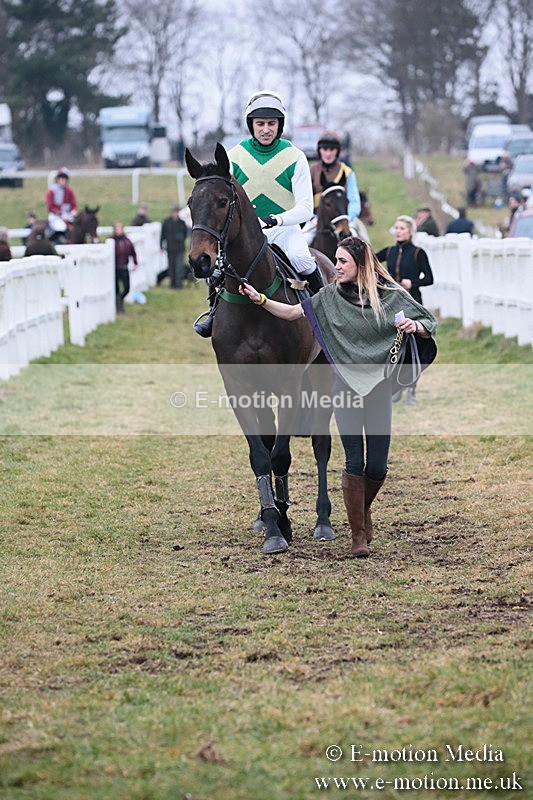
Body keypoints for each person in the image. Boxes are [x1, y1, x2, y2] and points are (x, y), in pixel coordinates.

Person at [238, 236, 437, 558]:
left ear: (361, 265)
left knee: (377, 467)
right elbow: (292, 312)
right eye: (336, 260)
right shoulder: (329, 296)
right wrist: (259, 298)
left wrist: (415, 325)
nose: (337, 267)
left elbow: (428, 321)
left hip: (379, 388)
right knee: (354, 461)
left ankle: (363, 510)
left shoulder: (388, 295)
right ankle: (358, 535)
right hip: (345, 388)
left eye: (343, 261)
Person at [193, 90, 322, 337]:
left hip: (284, 230)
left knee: (302, 259)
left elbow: (306, 208)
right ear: (251, 125)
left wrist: (276, 219)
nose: (266, 129)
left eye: (271, 123)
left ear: (279, 125)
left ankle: (324, 311)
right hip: (245, 234)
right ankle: (213, 314)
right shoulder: (234, 156)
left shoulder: (295, 157)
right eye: (260, 123)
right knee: (218, 269)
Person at [375, 215, 434, 405]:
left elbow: (430, 278)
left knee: (413, 348)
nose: (398, 231)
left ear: (410, 232)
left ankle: (412, 390)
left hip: (413, 303)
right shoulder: (390, 251)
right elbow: (370, 261)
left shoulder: (418, 253)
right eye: (397, 228)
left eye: (402, 228)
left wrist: (412, 282)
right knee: (395, 346)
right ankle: (397, 386)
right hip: (393, 303)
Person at [309, 131, 361, 227]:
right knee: (303, 235)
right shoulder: (311, 170)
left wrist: (347, 218)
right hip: (316, 221)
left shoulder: (347, 172)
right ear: (319, 150)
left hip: (343, 220)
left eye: (332, 149)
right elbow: (303, 199)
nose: (328, 154)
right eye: (325, 149)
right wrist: (312, 218)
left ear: (337, 151)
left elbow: (354, 201)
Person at [45, 167, 78, 241]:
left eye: (65, 178)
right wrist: (60, 214)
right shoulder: (51, 191)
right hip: (55, 216)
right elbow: (50, 207)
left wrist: (74, 211)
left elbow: (74, 205)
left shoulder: (70, 192)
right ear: (57, 179)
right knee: (61, 227)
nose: (63, 180)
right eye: (61, 178)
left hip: (67, 215)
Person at [111, 222, 138, 313]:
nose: (118, 230)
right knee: (116, 288)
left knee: (127, 287)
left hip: (124, 267)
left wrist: (135, 263)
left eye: (120, 228)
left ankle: (120, 300)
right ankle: (119, 306)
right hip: (115, 268)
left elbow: (133, 252)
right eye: (117, 228)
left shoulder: (127, 241)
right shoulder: (111, 241)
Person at [159, 205, 188, 288]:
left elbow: (185, 234)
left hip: (180, 248)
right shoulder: (166, 222)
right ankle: (172, 284)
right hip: (170, 248)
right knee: (171, 266)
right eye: (174, 212)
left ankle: (179, 284)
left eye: (177, 212)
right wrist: (161, 246)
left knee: (179, 266)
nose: (175, 213)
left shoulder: (182, 223)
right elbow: (162, 235)